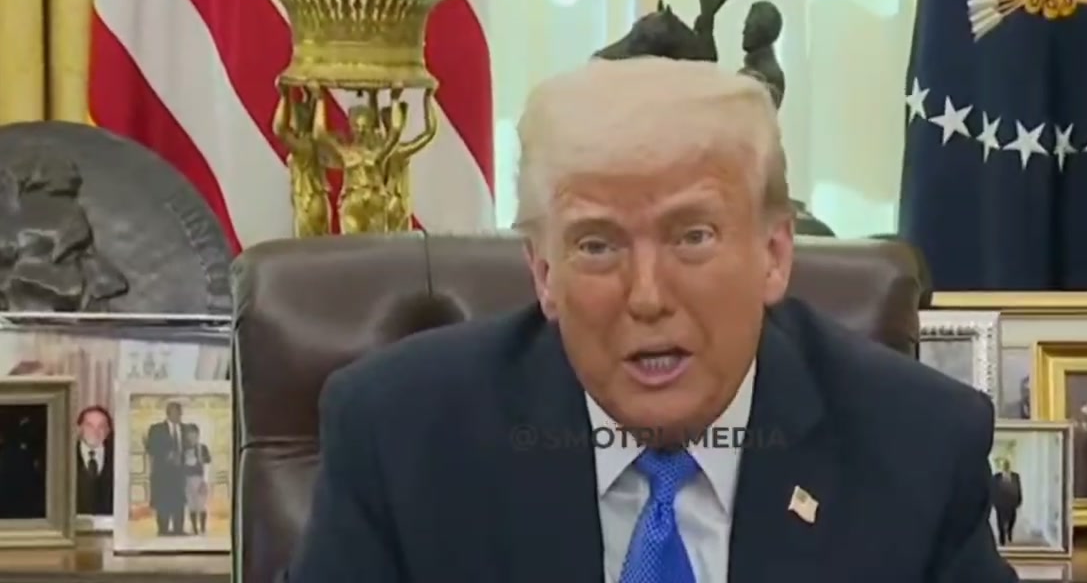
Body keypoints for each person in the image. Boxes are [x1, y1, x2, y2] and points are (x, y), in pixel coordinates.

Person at [287, 58, 1016, 582]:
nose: (647, 296)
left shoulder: (915, 447)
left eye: (692, 237)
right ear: (543, 273)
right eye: (597, 245)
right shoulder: (401, 437)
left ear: (773, 254)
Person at [144, 401, 187, 535]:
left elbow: (191, 448)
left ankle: (179, 530)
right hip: (162, 473)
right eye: (175, 412)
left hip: (180, 474)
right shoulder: (156, 429)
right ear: (168, 413)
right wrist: (166, 455)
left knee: (179, 502)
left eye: (179, 412)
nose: (178, 415)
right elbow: (150, 448)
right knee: (163, 502)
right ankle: (163, 530)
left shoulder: (186, 429)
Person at [75, 405, 114, 516]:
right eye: (89, 426)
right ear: (80, 428)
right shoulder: (63, 457)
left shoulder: (118, 457)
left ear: (108, 431)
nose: (95, 431)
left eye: (101, 426)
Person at [180, 424, 212, 535]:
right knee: (191, 505)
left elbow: (207, 465)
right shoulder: (183, 449)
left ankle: (202, 528)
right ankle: (194, 529)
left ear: (197, 435)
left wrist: (205, 481)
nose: (191, 436)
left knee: (201, 504)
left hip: (200, 479)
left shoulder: (202, 448)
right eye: (189, 433)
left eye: (193, 433)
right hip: (187, 480)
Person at [990, 458, 1022, 546]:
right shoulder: (996, 477)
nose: (1005, 466)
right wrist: (993, 501)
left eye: (1007, 465)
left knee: (1012, 519)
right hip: (1000, 503)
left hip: (1012, 502)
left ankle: (1009, 531)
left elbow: (1018, 488)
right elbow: (993, 490)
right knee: (1000, 521)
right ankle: (1002, 538)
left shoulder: (1015, 476)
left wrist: (1019, 499)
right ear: (1001, 467)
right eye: (1004, 465)